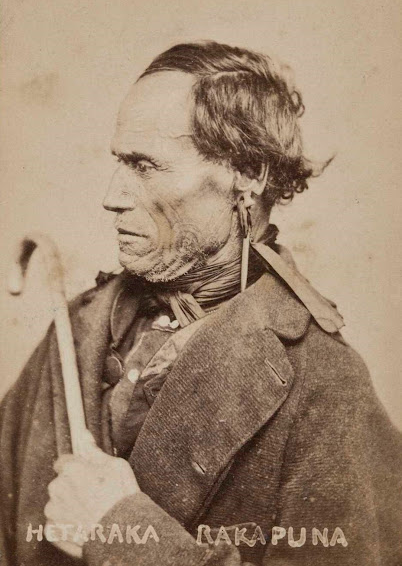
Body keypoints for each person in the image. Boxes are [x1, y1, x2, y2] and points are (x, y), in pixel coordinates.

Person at [1, 41, 401, 566]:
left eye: (145, 166)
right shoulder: (77, 326)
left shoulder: (323, 383)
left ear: (248, 173)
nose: (111, 196)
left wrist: (119, 532)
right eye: (120, 162)